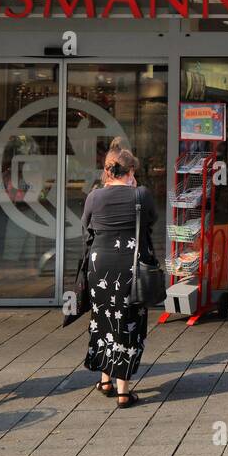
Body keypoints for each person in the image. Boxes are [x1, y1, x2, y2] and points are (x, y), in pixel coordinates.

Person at [81, 146, 158, 408]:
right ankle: (123, 391)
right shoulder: (141, 194)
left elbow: (86, 226)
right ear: (131, 170)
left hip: (99, 264)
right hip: (130, 266)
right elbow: (152, 220)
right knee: (128, 322)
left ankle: (105, 380)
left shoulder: (94, 197)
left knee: (103, 319)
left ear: (107, 170)